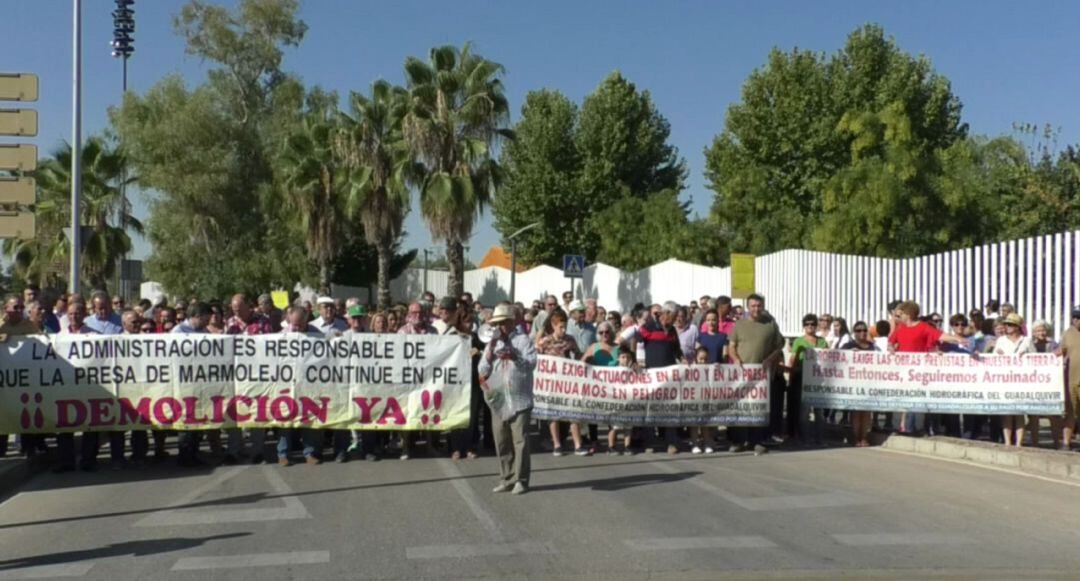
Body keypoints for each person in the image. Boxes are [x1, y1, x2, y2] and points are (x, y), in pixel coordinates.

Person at [479, 303, 537, 495]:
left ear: (512, 322)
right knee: (502, 440)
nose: (500, 327)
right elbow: (482, 371)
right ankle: (506, 478)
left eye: (503, 322)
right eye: (497, 323)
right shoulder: (492, 342)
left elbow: (530, 365)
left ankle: (521, 479)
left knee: (520, 441)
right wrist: (489, 352)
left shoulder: (524, 341)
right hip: (499, 399)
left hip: (519, 399)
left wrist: (514, 356)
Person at [889, 301, 962, 434]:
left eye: (902, 314)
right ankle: (902, 427)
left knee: (915, 399)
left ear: (909, 314)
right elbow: (891, 341)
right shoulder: (900, 328)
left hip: (919, 371)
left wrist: (956, 339)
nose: (900, 317)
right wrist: (891, 348)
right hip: (903, 370)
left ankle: (914, 428)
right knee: (903, 399)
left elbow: (939, 335)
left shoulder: (923, 327)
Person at [728, 293, 785, 455]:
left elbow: (779, 346)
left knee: (758, 409)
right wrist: (736, 359)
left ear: (763, 306)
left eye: (759, 306)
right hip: (742, 374)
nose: (756, 309)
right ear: (748, 307)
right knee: (740, 408)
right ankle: (739, 441)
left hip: (762, 376)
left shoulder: (770, 324)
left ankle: (757, 442)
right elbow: (732, 346)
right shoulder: (739, 325)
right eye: (753, 306)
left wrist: (770, 359)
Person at [223, 294, 275, 464]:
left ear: (249, 306)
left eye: (239, 308)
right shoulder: (230, 323)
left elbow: (269, 346)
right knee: (234, 414)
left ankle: (257, 451)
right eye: (234, 309)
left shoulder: (262, 322)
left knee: (256, 413)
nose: (236, 312)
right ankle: (234, 450)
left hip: (257, 375)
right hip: (235, 376)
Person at [55, 301, 100, 472]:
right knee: (64, 425)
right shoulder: (60, 336)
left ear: (84, 315)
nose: (74, 317)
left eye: (77, 313)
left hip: (88, 385)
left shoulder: (94, 335)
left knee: (91, 424)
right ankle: (66, 461)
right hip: (65, 387)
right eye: (71, 314)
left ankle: (88, 460)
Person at [276, 306, 324, 466]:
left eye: (299, 324)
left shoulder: (316, 334)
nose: (296, 328)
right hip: (287, 383)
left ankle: (310, 452)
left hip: (310, 383)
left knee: (309, 417)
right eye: (293, 324)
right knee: (286, 419)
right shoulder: (282, 335)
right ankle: (283, 454)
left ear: (306, 320)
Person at [638, 301, 685, 454]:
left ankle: (671, 442)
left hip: (669, 377)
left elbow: (677, 350)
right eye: (675, 316)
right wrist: (635, 362)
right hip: (651, 376)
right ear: (666, 314)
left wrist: (683, 359)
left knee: (669, 409)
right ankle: (650, 442)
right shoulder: (649, 326)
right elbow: (635, 341)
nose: (677, 319)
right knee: (651, 410)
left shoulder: (672, 331)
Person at [537, 310, 585, 456]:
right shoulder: (545, 341)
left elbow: (578, 355)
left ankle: (578, 445)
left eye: (565, 327)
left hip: (567, 382)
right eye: (560, 327)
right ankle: (557, 445)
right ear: (553, 325)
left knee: (573, 413)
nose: (563, 330)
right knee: (554, 413)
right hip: (551, 382)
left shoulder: (570, 340)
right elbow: (537, 359)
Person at [0, 295, 40, 459]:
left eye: (21, 307)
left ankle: (28, 449)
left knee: (26, 413)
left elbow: (41, 344)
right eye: (15, 307)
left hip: (24, 379)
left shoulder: (29, 326)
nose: (19, 310)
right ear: (6, 309)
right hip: (4, 381)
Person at [992, 313, 1033, 446]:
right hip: (1005, 380)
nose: (1007, 327)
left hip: (1021, 380)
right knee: (1007, 413)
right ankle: (1008, 442)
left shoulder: (1026, 341)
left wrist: (1025, 357)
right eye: (1006, 324)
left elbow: (1037, 359)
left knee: (1020, 412)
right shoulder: (1001, 341)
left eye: (1010, 324)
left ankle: (1019, 442)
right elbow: (992, 359)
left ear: (1017, 327)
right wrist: (999, 356)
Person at [787, 314, 828, 445]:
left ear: (816, 326)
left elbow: (828, 359)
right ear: (804, 326)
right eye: (807, 324)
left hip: (819, 381)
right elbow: (793, 360)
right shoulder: (799, 341)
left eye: (812, 324)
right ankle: (805, 438)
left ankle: (820, 439)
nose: (810, 326)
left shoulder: (822, 341)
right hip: (803, 379)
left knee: (819, 412)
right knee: (804, 411)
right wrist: (791, 376)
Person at [841, 321, 878, 446]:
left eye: (864, 330)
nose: (862, 333)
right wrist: (850, 354)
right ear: (854, 332)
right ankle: (856, 437)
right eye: (858, 330)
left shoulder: (873, 347)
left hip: (869, 383)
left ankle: (864, 437)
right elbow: (837, 360)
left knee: (867, 412)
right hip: (854, 384)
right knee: (856, 411)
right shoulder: (848, 346)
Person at [1027, 320, 1058, 447]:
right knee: (1033, 415)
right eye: (1038, 330)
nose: (1041, 333)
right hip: (1034, 384)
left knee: (1054, 415)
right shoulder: (1029, 345)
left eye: (1043, 330)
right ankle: (1035, 443)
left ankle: (1057, 442)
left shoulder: (1053, 344)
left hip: (1050, 384)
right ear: (1034, 333)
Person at [1056, 307, 1080, 451]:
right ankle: (1066, 442)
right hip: (1071, 379)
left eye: (1079, 318)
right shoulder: (1068, 333)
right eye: (1075, 317)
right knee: (1070, 412)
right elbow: (1061, 350)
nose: (1076, 320)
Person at [607, 349, 639, 455]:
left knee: (628, 426)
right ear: (618, 358)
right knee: (614, 427)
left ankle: (627, 446)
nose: (626, 359)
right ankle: (611, 447)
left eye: (628, 357)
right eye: (623, 357)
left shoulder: (633, 371)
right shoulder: (613, 371)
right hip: (616, 402)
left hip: (629, 402)